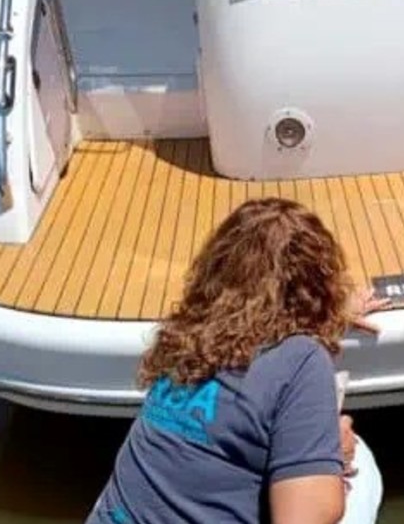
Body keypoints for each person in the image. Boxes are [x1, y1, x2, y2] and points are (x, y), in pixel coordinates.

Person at [87, 198, 388, 524]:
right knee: (361, 463)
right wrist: (336, 458)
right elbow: (305, 517)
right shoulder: (302, 360)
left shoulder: (189, 333)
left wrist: (331, 315)